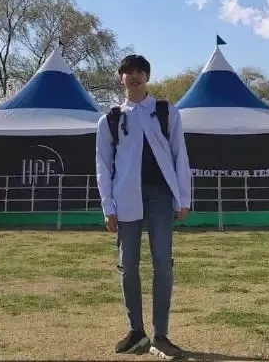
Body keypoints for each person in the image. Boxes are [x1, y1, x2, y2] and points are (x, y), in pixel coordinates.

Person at [96, 54, 192, 360]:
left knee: (163, 263)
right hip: (125, 198)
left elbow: (180, 155)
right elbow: (103, 165)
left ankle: (160, 335)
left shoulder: (166, 111)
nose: (135, 76)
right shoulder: (110, 120)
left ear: (147, 77)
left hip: (161, 196)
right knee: (128, 265)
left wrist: (183, 198)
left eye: (140, 71)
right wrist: (107, 206)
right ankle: (135, 332)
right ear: (121, 78)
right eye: (129, 71)